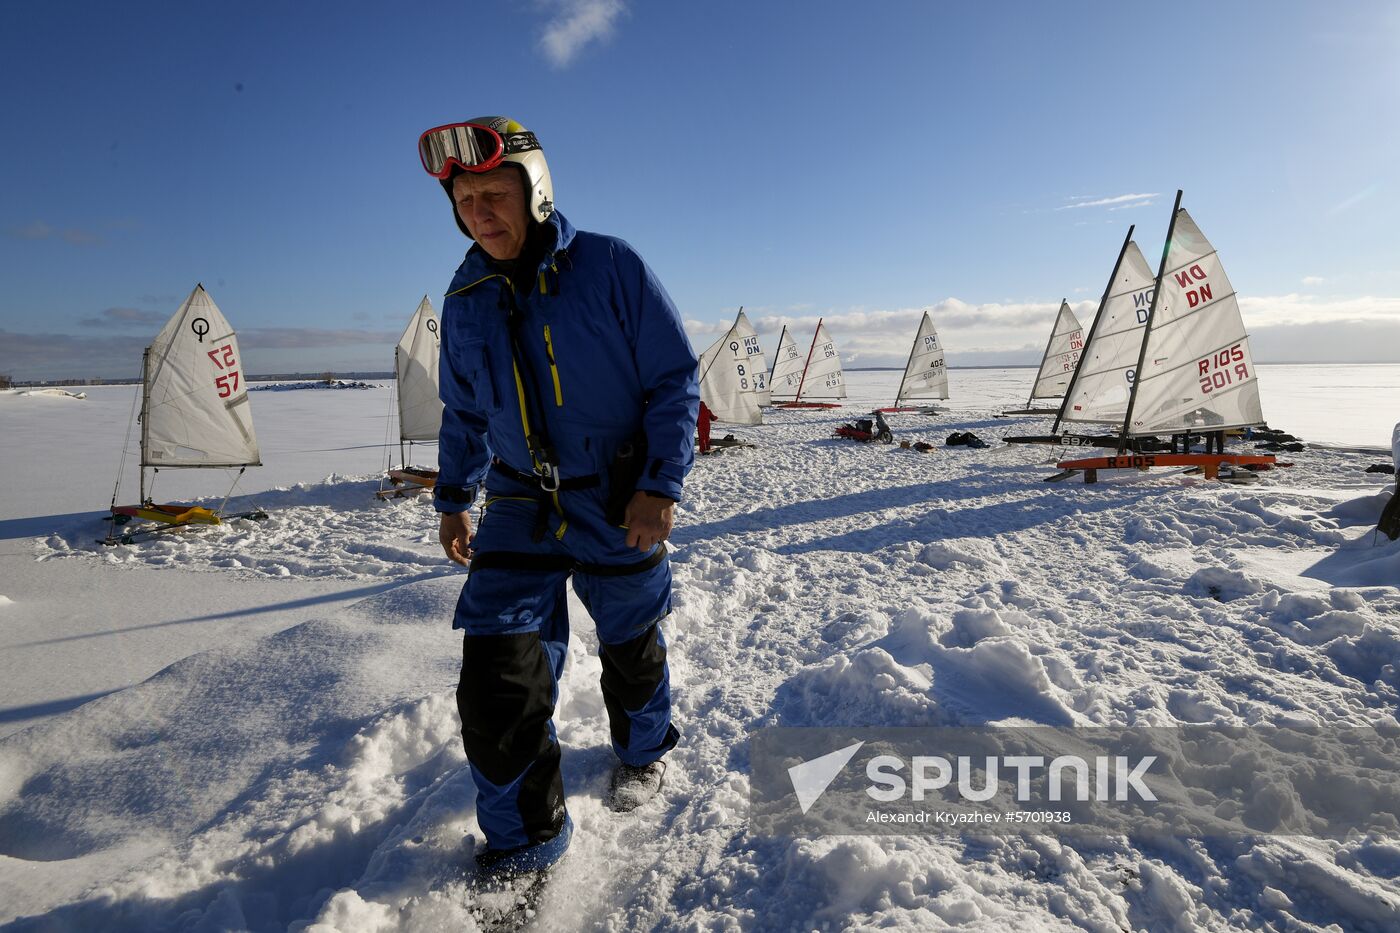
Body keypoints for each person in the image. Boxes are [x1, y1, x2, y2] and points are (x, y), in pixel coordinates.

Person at [418, 116, 699, 877]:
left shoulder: (610, 267)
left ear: (535, 191)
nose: (480, 213)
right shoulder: (467, 293)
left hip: (616, 494)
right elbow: (465, 410)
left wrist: (658, 486)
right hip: (518, 503)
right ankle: (525, 843)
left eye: (494, 193)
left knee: (632, 644)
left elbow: (675, 380)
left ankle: (642, 753)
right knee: (497, 675)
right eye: (466, 200)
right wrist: (453, 496)